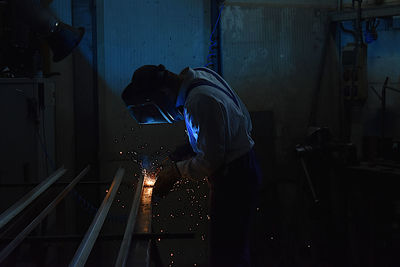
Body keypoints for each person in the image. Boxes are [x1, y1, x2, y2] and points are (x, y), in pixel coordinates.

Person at [121, 64, 261, 267]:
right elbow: (214, 133)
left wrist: (175, 172)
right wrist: (175, 156)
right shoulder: (200, 76)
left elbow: (211, 160)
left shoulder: (199, 101)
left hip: (235, 178)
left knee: (228, 255)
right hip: (241, 167)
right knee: (231, 250)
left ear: (163, 94)